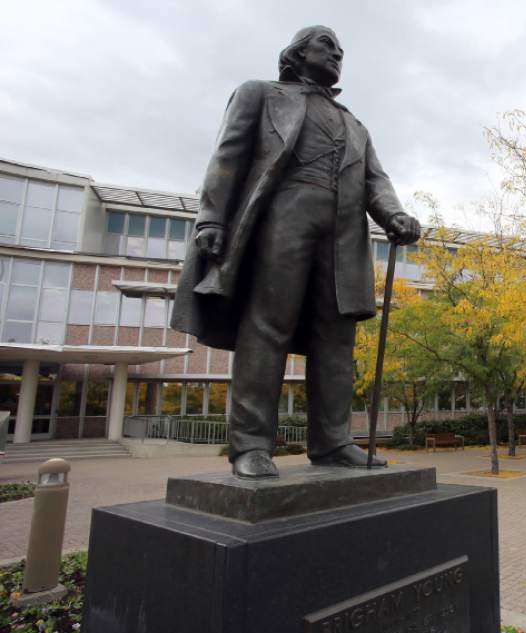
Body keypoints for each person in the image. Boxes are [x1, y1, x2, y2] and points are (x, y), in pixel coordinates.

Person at [171, 26, 421, 478]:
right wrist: (210, 219)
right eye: (327, 44)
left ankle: (332, 443)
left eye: (342, 51)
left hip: (345, 234)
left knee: (337, 339)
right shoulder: (260, 94)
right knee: (267, 326)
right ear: (296, 52)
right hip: (283, 217)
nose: (337, 53)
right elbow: (227, 157)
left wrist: (394, 216)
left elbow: (375, 182)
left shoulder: (355, 124)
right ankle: (249, 446)